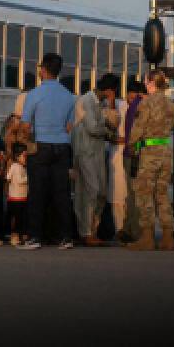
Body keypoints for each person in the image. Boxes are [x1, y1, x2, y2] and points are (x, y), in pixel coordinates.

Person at [17, 53, 77, 250]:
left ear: (43, 70)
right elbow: (69, 126)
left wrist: (33, 136)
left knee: (37, 194)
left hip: (40, 145)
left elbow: (25, 126)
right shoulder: (68, 96)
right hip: (62, 147)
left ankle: (35, 237)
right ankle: (65, 237)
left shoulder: (34, 94)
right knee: (62, 195)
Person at [128, 70, 174, 251]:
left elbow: (137, 128)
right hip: (165, 150)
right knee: (162, 194)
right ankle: (167, 238)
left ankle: (147, 237)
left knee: (144, 194)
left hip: (149, 152)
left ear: (150, 83)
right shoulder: (172, 104)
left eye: (145, 81)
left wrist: (132, 146)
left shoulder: (146, 103)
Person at [71, 72, 120, 246]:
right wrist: (106, 131)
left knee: (100, 192)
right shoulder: (85, 101)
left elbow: (114, 124)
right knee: (90, 191)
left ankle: (92, 231)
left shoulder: (102, 104)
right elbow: (93, 127)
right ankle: (86, 232)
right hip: (85, 153)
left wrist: (112, 104)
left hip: (97, 153)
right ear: (108, 89)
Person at [115, 79, 145, 245]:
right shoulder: (139, 106)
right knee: (136, 195)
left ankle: (127, 230)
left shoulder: (133, 106)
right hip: (136, 154)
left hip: (130, 153)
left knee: (133, 194)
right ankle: (135, 232)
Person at [5, 143, 29, 245]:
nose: (25, 158)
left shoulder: (23, 167)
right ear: (18, 156)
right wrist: (28, 178)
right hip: (15, 197)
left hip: (22, 197)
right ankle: (14, 236)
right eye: (24, 156)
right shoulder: (15, 166)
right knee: (16, 217)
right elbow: (13, 179)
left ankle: (22, 235)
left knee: (22, 218)